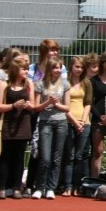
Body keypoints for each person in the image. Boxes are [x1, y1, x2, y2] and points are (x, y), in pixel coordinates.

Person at [0, 56, 34, 199]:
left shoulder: (29, 84)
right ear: (16, 69)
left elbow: (33, 105)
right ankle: (1, 188)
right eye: (24, 69)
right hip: (7, 125)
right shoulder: (4, 85)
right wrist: (13, 106)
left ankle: (16, 188)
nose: (27, 72)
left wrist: (29, 106)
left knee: (19, 158)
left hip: (23, 125)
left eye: (27, 69)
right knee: (4, 158)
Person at [32, 57, 71, 200]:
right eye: (55, 67)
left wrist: (56, 105)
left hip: (61, 123)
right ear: (49, 69)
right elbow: (35, 108)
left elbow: (67, 107)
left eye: (59, 67)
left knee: (56, 157)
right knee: (45, 157)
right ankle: (39, 187)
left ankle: (50, 188)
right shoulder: (40, 85)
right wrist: (48, 102)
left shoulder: (65, 84)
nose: (58, 70)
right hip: (45, 122)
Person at [61, 56, 92, 196]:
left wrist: (82, 121)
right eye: (76, 66)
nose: (79, 69)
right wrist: (74, 121)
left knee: (79, 156)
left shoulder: (87, 83)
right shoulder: (64, 83)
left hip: (84, 123)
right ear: (71, 67)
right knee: (69, 155)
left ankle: (76, 186)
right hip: (68, 121)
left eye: (81, 67)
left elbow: (88, 103)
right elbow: (64, 105)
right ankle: (67, 185)